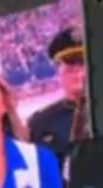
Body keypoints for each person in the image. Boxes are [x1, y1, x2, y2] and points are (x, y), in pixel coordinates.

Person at [28, 27, 89, 179]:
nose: (78, 72)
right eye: (70, 65)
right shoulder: (40, 122)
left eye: (82, 63)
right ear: (58, 71)